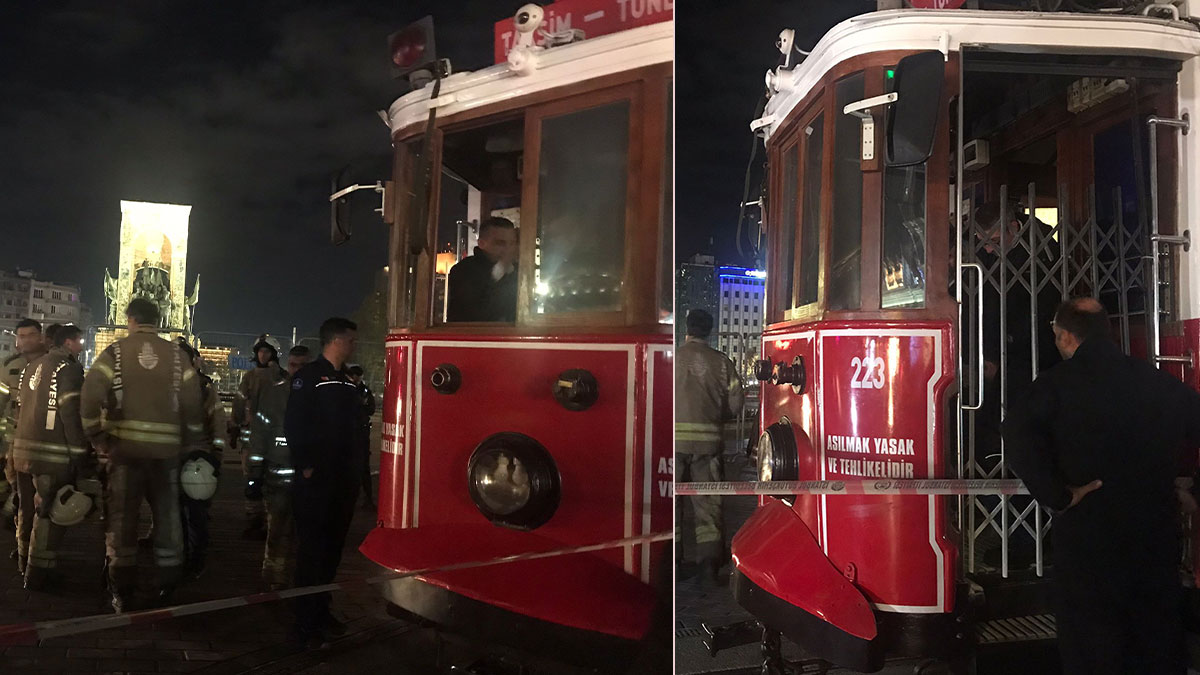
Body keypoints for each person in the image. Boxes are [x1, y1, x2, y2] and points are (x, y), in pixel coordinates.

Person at [1005, 298, 1200, 675]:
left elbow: (1016, 436)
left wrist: (1059, 495)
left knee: (1092, 648)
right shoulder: (1155, 381)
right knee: (1156, 643)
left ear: (1064, 337)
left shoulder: (1053, 386)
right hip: (1154, 536)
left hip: (1088, 537)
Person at [81, 299, 205, 612]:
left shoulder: (115, 353)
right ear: (159, 320)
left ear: (130, 319)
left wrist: (97, 436)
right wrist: (189, 442)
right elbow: (193, 406)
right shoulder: (178, 357)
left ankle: (123, 590)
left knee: (122, 521)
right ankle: (168, 583)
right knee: (168, 520)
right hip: (166, 456)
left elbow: (90, 396)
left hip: (124, 453)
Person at [285, 317, 361, 648]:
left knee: (331, 551)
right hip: (318, 480)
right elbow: (295, 424)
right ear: (336, 341)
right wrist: (305, 466)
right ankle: (305, 621)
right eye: (351, 340)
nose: (354, 346)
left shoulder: (347, 381)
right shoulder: (310, 378)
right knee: (312, 551)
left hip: (343, 480)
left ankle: (321, 609)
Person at [11, 324, 90, 590]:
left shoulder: (32, 366)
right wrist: (80, 454)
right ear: (68, 343)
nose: (81, 346)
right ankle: (39, 572)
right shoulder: (68, 369)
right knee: (50, 512)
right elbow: (69, 414)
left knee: (26, 509)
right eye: (79, 341)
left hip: (21, 451)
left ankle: (24, 561)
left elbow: (20, 407)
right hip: (50, 455)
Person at [674, 309, 743, 586]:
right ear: (711, 331)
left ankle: (673, 565)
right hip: (709, 445)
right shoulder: (722, 363)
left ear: (687, 329)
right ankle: (708, 567)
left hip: (673, 445)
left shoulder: (673, 358)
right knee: (708, 506)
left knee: (671, 504)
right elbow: (737, 405)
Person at [259, 344, 309, 590]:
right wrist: (255, 471)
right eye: (293, 365)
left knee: (303, 532)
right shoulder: (276, 393)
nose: (297, 370)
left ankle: (297, 578)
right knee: (277, 529)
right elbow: (261, 431)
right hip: (279, 473)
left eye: (302, 366)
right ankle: (273, 578)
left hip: (306, 477)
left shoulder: (316, 395)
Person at [175, 339, 226, 580]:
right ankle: (181, 557)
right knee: (174, 514)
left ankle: (196, 559)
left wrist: (215, 457)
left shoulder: (204, 387)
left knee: (196, 514)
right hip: (173, 458)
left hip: (197, 460)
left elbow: (217, 423)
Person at [1, 319, 47, 543]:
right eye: (21, 336)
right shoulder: (8, 366)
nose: (26, 340)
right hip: (13, 440)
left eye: (30, 335)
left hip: (42, 440)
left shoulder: (51, 365)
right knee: (18, 490)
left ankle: (30, 546)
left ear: (41, 337)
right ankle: (22, 542)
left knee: (38, 497)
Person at [233, 334, 282, 540]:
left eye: (266, 351)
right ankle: (257, 521)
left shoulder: (263, 377)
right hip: (254, 439)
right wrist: (235, 426)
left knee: (263, 482)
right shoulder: (255, 377)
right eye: (260, 351)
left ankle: (265, 523)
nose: (263, 354)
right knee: (253, 482)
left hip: (266, 441)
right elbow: (239, 403)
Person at [446, 217, 518, 322]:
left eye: (512, 243)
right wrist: (501, 269)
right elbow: (474, 314)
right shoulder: (464, 270)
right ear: (481, 244)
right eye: (500, 243)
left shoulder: (516, 270)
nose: (508, 249)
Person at [347, 364, 376, 511]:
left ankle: (368, 498)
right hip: (350, 431)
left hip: (361, 432)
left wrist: (360, 406)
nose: (355, 378)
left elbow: (371, 409)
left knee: (364, 467)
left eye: (357, 375)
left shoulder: (364, 391)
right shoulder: (347, 389)